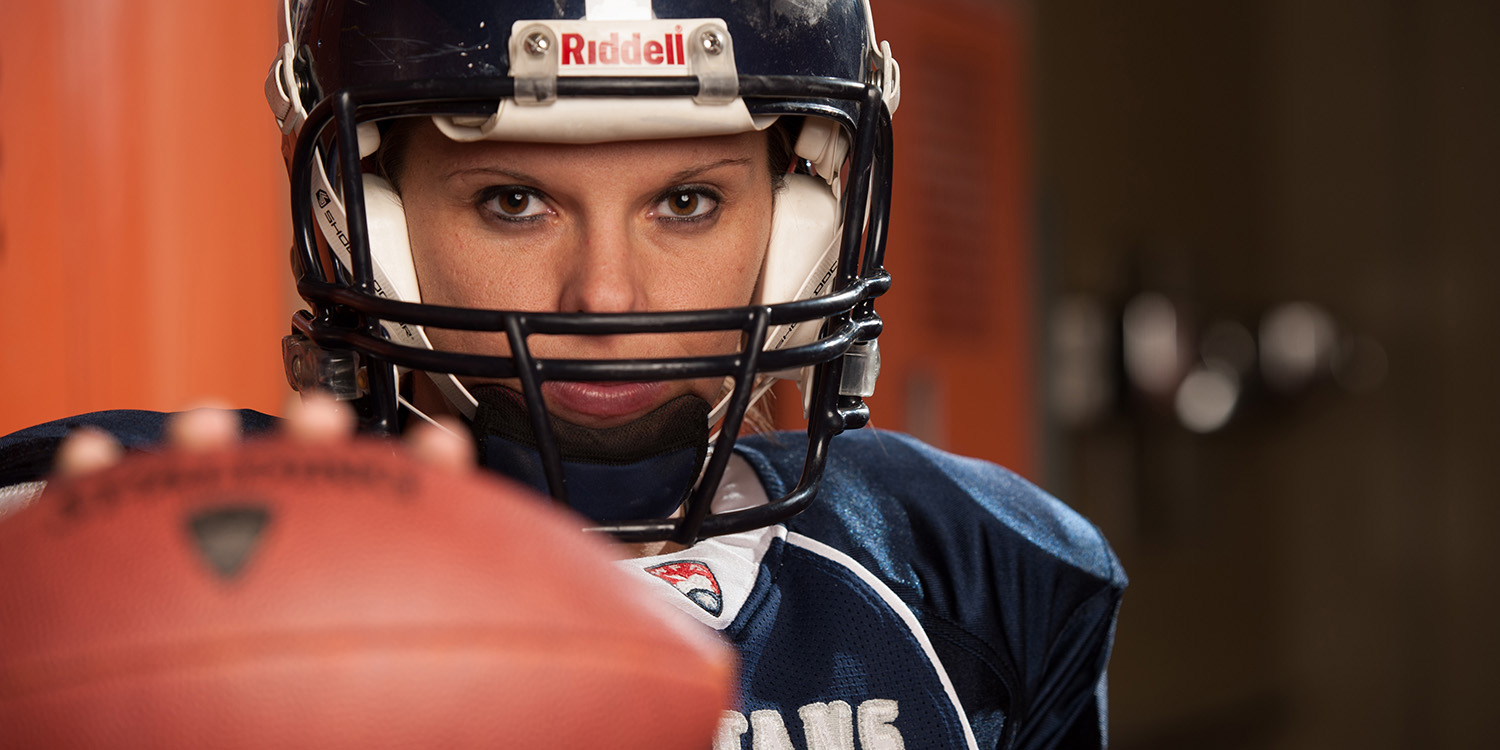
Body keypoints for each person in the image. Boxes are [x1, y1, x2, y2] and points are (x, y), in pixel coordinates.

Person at [0, 0, 1126, 748]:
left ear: (801, 220)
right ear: (369, 218)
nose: (606, 295)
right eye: (512, 200)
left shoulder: (968, 575)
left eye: (687, 203)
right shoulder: (152, 537)